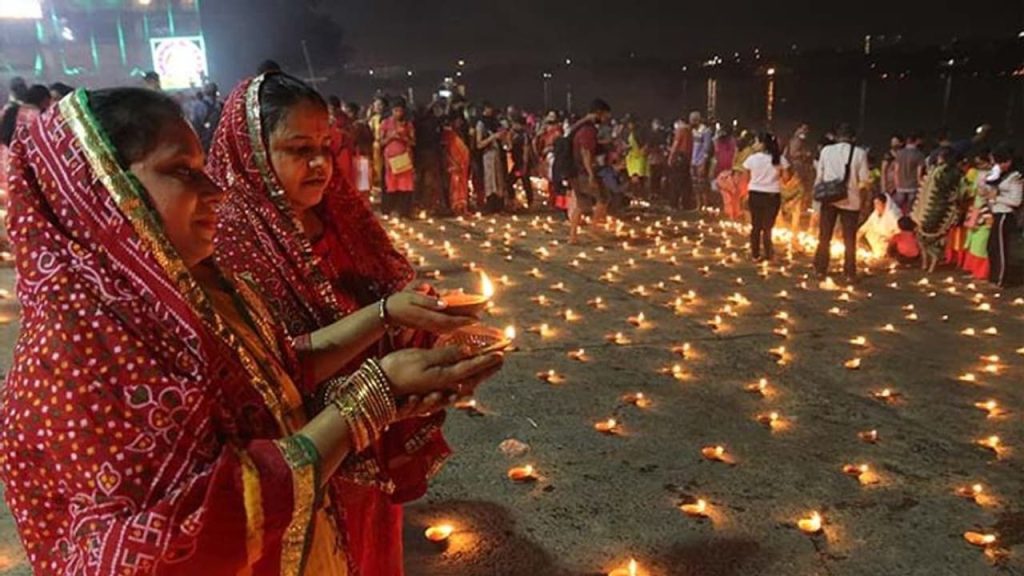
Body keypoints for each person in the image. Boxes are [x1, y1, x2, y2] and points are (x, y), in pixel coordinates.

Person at [1, 86, 502, 575]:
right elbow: (191, 533)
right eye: (183, 172)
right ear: (102, 188)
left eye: (324, 147)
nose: (215, 191)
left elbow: (276, 372)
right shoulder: (74, 355)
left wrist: (391, 330)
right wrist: (373, 394)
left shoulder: (195, 286)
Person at [814, 123, 870, 282]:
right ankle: (849, 273)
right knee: (849, 239)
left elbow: (820, 176)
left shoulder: (826, 151)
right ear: (853, 138)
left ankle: (820, 269)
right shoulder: (859, 153)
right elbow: (864, 181)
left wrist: (817, 199)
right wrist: (863, 202)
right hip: (851, 200)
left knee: (824, 236)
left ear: (837, 136)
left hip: (829, 199)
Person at [569, 99, 612, 242]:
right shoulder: (588, 129)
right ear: (599, 113)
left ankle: (573, 236)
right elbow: (585, 152)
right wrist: (591, 174)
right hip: (583, 172)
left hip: (574, 170)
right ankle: (593, 229)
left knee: (581, 203)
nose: (606, 119)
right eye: (605, 116)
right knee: (603, 198)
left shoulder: (579, 126)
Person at [742, 132, 789, 262]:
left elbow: (745, 178)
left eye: (756, 141)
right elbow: (786, 178)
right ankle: (768, 253)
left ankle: (755, 254)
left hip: (755, 194)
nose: (754, 144)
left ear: (762, 144)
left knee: (756, 225)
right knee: (768, 227)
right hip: (772, 195)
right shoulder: (780, 159)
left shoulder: (752, 159)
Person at [981, 146, 1022, 287]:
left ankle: (1000, 279)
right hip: (997, 213)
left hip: (1005, 214)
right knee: (991, 247)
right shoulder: (999, 175)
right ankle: (993, 277)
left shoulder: (1015, 178)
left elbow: (1016, 201)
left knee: (1000, 248)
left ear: (1007, 162)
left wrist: (996, 198)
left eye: (998, 162)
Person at [380, 97, 417, 217]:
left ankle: (403, 211)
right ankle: (390, 209)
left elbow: (413, 142)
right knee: (391, 184)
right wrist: (391, 136)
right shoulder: (385, 123)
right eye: (395, 110)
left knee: (404, 184)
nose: (398, 113)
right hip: (390, 159)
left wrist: (403, 137)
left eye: (400, 111)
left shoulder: (408, 124)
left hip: (404, 158)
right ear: (391, 110)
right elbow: (381, 142)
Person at [960, 152, 994, 279]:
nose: (979, 166)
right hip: (976, 209)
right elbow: (973, 191)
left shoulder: (994, 175)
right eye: (977, 163)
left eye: (982, 163)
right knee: (973, 241)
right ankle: (973, 270)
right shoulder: (978, 174)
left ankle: (982, 272)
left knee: (981, 243)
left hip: (988, 210)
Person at [476, 102, 508, 213]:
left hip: (498, 154)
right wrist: (492, 137)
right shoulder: (481, 124)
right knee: (490, 179)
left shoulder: (496, 123)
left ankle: (500, 204)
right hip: (487, 155)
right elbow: (479, 144)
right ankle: (491, 204)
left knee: (499, 179)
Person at [785, 123, 815, 234]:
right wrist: (805, 154)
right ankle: (793, 227)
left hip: (797, 174)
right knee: (796, 201)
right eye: (803, 129)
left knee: (797, 201)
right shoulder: (796, 141)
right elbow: (793, 154)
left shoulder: (799, 141)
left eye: (806, 130)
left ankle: (794, 227)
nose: (805, 132)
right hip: (795, 175)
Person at [443, 114, 471, 216]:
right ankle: (455, 207)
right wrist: (452, 162)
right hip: (454, 164)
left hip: (463, 165)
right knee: (454, 185)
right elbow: (446, 150)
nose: (460, 123)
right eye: (458, 121)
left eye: (461, 121)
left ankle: (462, 207)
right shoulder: (448, 134)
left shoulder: (462, 133)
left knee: (462, 185)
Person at [857, 193, 900, 259]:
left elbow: (899, 231)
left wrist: (889, 238)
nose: (876, 206)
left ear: (884, 204)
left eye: (878, 203)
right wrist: (858, 235)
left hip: (887, 240)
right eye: (875, 204)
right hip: (878, 237)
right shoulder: (875, 213)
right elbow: (867, 224)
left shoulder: (892, 215)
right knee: (868, 231)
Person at [893, 133, 926, 214]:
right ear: (916, 141)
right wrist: (920, 185)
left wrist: (896, 183)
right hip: (913, 186)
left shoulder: (899, 153)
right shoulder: (919, 154)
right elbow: (919, 173)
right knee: (910, 209)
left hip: (900, 185)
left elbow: (896, 170)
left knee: (896, 208)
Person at [667, 116, 693, 210]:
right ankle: (686, 204)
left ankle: (674, 204)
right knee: (685, 183)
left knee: (675, 182)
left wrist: (671, 158)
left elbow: (676, 144)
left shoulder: (680, 130)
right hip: (687, 158)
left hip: (679, 158)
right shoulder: (690, 131)